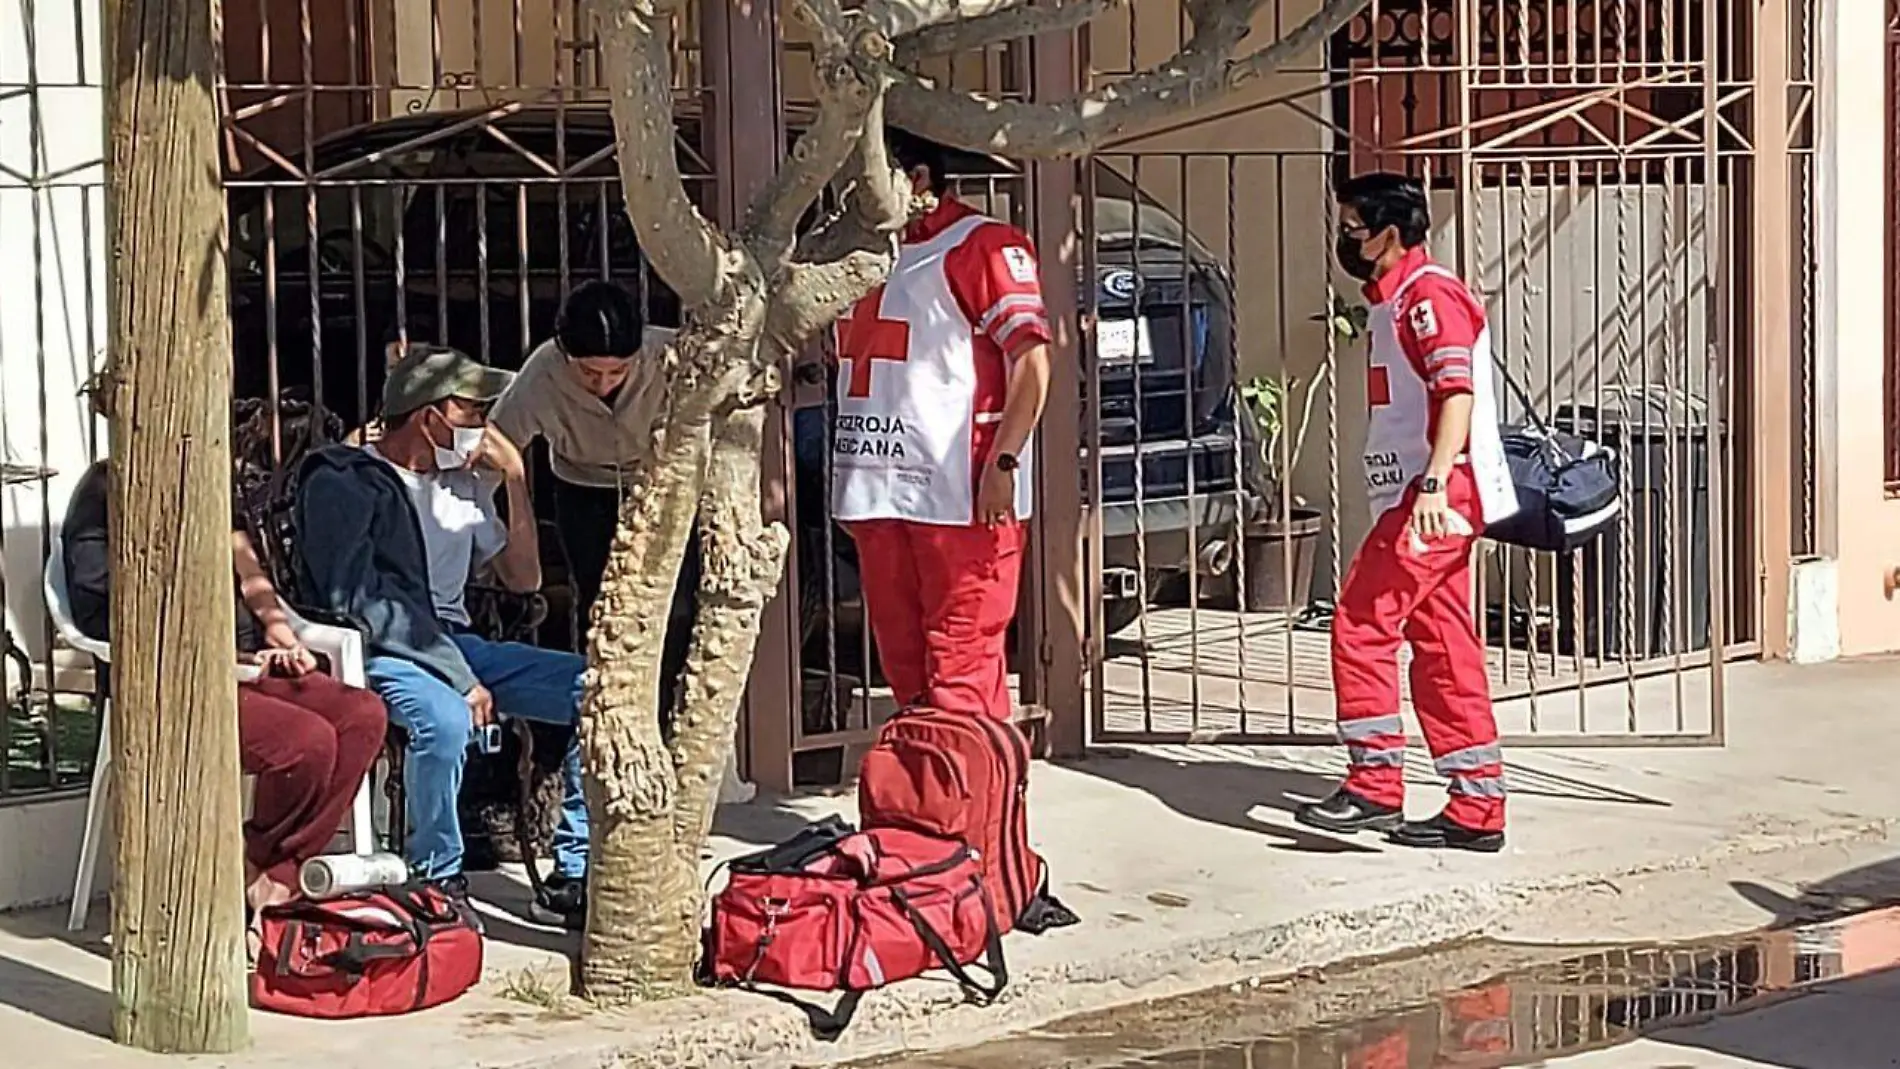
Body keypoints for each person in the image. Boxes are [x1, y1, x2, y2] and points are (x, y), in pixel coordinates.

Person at [294, 344, 590, 925]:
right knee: (446, 721)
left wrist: (515, 478)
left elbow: (524, 579)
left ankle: (576, 865)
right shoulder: (351, 481)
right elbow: (361, 601)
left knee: (597, 689)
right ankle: (438, 876)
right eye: (470, 411)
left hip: (457, 642)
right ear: (431, 417)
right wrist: (456, 677)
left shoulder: (464, 484)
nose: (482, 423)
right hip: (385, 647)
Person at [61, 412, 387, 922]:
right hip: (172, 676)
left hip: (251, 664)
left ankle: (265, 866)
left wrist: (281, 633)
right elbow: (102, 607)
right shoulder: (104, 494)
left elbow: (247, 566)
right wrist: (217, 653)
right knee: (306, 743)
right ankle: (267, 873)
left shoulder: (207, 477)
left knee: (363, 714)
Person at [1294, 172, 1519, 852]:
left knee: (1361, 623)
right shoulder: (1397, 302)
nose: (1344, 239)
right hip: (1429, 495)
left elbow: (1456, 394)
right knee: (1445, 647)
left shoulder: (1427, 299)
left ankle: (1373, 785)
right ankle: (1477, 805)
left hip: (1434, 497)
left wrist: (1432, 484)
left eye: (1353, 228)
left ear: (1390, 233)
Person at [830, 132, 1054, 722]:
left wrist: (1004, 463)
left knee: (963, 676)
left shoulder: (982, 245)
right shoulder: (851, 256)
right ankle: (923, 808)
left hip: (964, 495)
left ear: (918, 180)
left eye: (864, 179)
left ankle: (975, 812)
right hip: (877, 495)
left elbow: (1031, 360)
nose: (847, 193)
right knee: (906, 677)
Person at [487, 281, 697, 683]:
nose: (604, 384)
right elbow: (496, 441)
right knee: (600, 599)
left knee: (678, 600)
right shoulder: (542, 372)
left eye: (619, 371)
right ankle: (610, 692)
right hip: (581, 487)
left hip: (659, 482)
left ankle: (668, 696)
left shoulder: (669, 355)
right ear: (564, 353)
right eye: (588, 372)